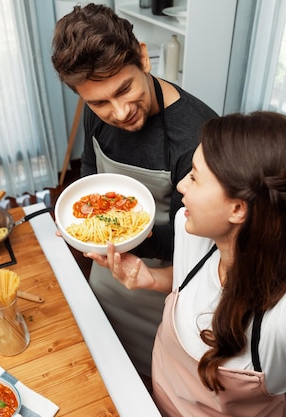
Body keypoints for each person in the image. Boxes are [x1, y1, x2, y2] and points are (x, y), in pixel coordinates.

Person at [88, 111, 286, 416]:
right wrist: (151, 278)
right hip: (160, 402)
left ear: (238, 209)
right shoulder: (192, 229)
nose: (182, 185)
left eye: (195, 177)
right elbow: (195, 284)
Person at [51, 3, 217, 380]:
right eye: (98, 102)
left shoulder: (196, 137)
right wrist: (90, 226)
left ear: (143, 57)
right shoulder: (98, 105)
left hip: (162, 289)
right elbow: (90, 173)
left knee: (151, 384)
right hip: (107, 274)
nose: (119, 111)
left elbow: (190, 244)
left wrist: (112, 235)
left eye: (124, 89)